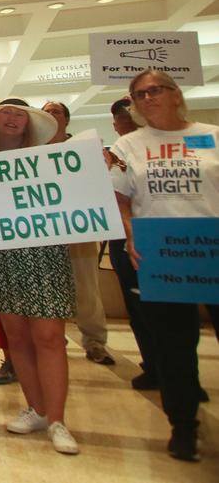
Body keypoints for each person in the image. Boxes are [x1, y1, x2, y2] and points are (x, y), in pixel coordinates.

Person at [110, 69, 219, 462]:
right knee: (174, 347)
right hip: (159, 254)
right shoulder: (129, 146)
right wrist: (130, 232)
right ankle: (183, 426)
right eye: (139, 94)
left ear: (176, 94)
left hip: (211, 249)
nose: (147, 98)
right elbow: (120, 199)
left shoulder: (212, 135)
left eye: (155, 90)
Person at [0, 98, 79, 455]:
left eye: (19, 114)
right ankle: (37, 408)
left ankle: (58, 420)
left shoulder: (51, 161)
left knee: (48, 336)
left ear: (30, 124)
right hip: (1, 257)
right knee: (16, 339)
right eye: (6, 113)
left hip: (45, 256)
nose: (12, 119)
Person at [43, 100, 115, 366]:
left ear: (67, 119)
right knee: (47, 292)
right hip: (44, 235)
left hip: (78, 232)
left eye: (56, 112)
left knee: (86, 290)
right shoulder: (32, 152)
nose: (51, 115)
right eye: (46, 112)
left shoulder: (83, 151)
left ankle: (95, 342)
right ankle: (52, 341)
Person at [106, 98, 160, 390]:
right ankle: (152, 363)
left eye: (130, 115)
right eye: (121, 118)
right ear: (115, 125)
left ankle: (177, 372)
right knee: (137, 307)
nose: (126, 121)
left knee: (175, 310)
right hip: (124, 238)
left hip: (170, 235)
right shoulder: (115, 154)